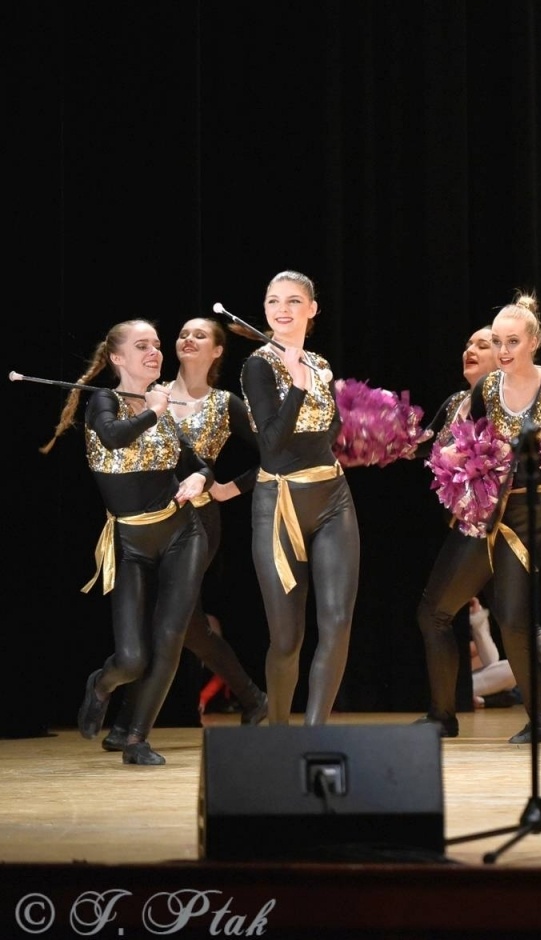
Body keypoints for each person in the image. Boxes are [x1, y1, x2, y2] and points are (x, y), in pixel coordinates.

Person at [416, 321, 541, 740]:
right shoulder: (486, 391)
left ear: (533, 342)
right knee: (510, 619)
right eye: (499, 343)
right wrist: (454, 453)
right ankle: (539, 721)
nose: (504, 350)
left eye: (511, 342)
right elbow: (455, 441)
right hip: (507, 514)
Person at [42, 319, 212, 764]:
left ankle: (133, 738)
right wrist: (154, 410)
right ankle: (101, 684)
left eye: (157, 345)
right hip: (131, 543)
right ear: (117, 358)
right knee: (133, 659)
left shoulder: (166, 404)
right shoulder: (105, 401)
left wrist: (198, 477)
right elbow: (113, 439)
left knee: (170, 639)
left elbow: (201, 462)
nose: (155, 352)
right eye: (142, 346)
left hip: (182, 532)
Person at [101, 317, 267, 749]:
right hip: (144, 522)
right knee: (186, 628)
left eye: (201, 335)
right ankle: (252, 696)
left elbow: (273, 454)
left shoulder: (226, 402)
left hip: (196, 522)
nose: (187, 339)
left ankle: (128, 728)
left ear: (217, 352)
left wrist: (230, 488)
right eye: (183, 334)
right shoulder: (150, 389)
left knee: (167, 623)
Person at [242, 271, 360, 725]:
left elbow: (330, 426)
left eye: (294, 301)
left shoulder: (321, 364)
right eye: (273, 301)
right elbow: (271, 445)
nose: (282, 309)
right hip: (279, 505)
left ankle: (314, 734)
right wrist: (296, 384)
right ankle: (279, 734)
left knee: (336, 621)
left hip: (332, 498)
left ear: (312, 309)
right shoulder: (258, 365)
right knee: (287, 638)